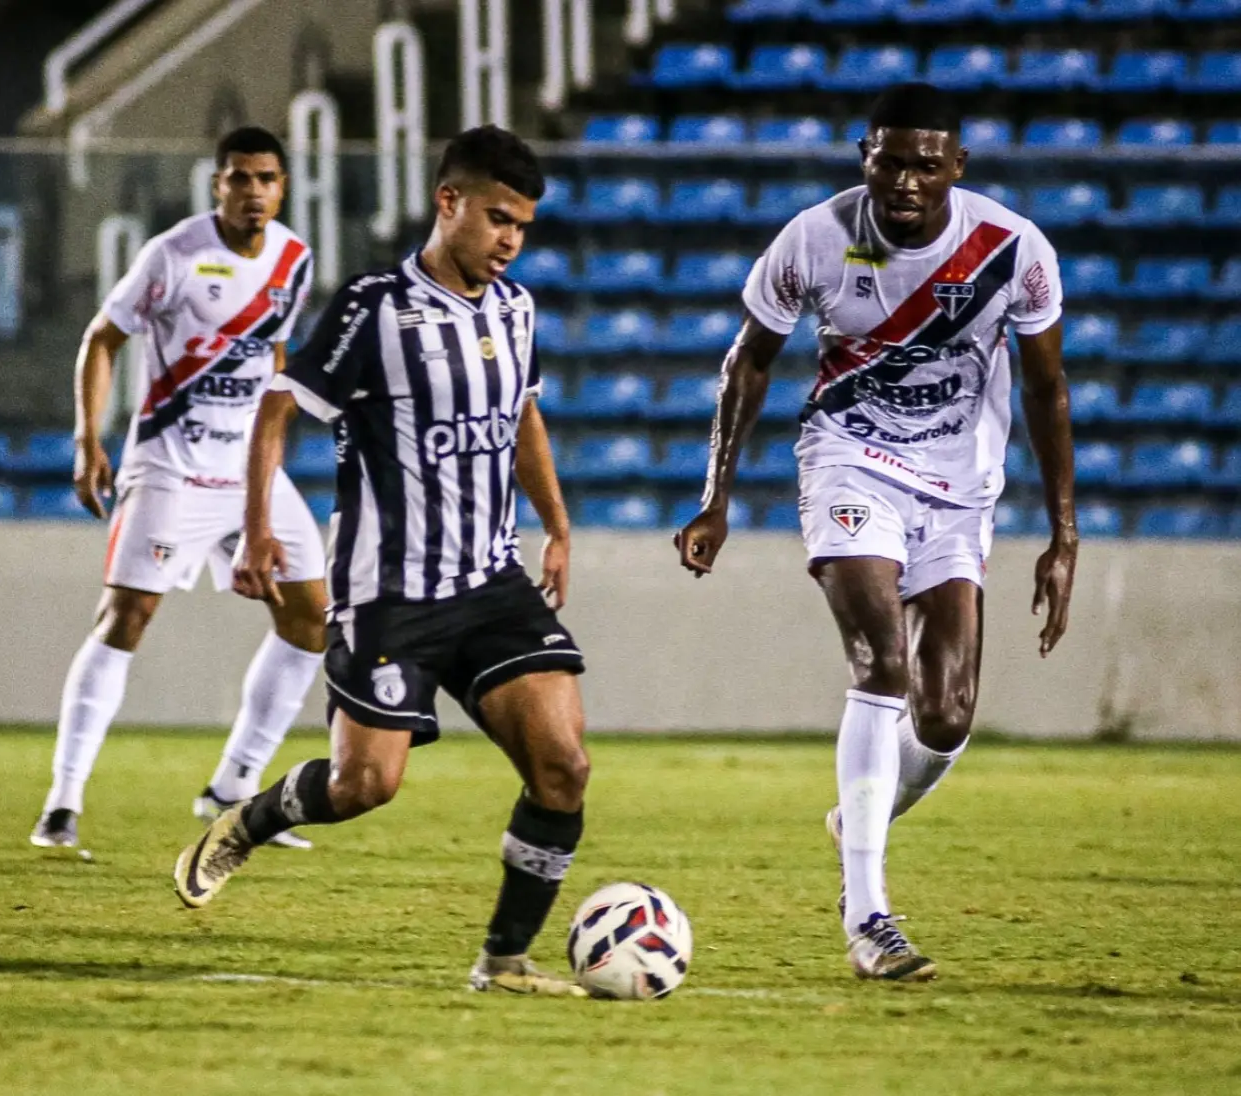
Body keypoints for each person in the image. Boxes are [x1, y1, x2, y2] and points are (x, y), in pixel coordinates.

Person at [172, 125, 591, 997]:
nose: (511, 240)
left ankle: (505, 960)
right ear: (449, 203)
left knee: (563, 766)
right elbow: (279, 408)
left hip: (491, 580)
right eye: (498, 218)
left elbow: (521, 419)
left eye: (523, 226)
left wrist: (555, 523)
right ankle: (251, 817)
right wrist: (257, 528)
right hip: (390, 593)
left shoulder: (516, 310)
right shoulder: (374, 306)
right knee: (367, 784)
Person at [675, 83, 1077, 981]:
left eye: (925, 165)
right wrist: (717, 496)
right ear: (865, 154)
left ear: (956, 168)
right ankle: (869, 918)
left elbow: (1049, 392)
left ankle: (859, 812)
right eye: (889, 161)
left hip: (959, 489)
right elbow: (749, 362)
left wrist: (1064, 534)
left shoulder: (1014, 251)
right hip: (849, 462)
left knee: (945, 717)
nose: (904, 181)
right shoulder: (815, 237)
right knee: (883, 663)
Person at [30, 127, 327, 852]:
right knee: (126, 618)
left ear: (282, 187)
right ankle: (62, 803)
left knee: (313, 619)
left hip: (249, 471)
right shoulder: (173, 255)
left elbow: (276, 363)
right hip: (171, 466)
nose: (253, 191)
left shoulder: (294, 259)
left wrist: (270, 456)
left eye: (267, 178)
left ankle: (231, 786)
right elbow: (104, 337)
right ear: (216, 184)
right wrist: (87, 437)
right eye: (239, 178)